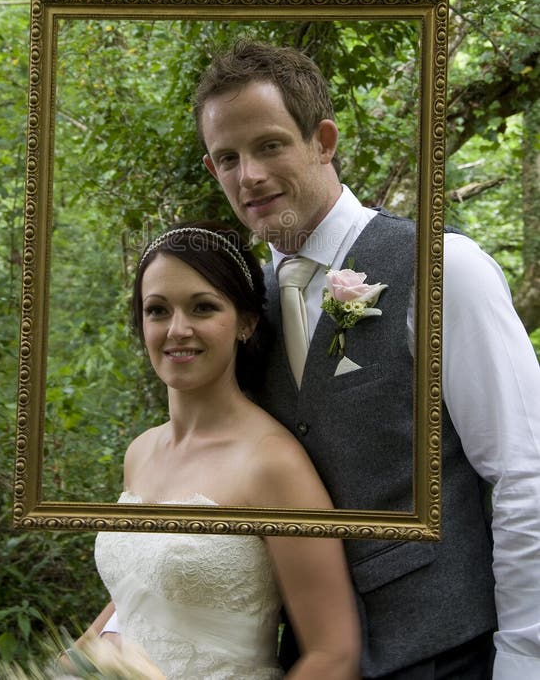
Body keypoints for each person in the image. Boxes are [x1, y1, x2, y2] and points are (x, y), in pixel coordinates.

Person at [190, 38, 540, 680]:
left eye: (269, 145)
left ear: (322, 139)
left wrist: (524, 660)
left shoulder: (442, 269)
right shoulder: (240, 310)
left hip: (451, 655)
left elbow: (525, 475)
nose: (250, 177)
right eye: (228, 158)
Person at [64, 222, 361, 680]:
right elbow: (138, 598)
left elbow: (333, 653)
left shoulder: (272, 464)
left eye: (202, 308)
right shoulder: (140, 453)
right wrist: (70, 666)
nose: (177, 329)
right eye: (157, 310)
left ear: (245, 322)